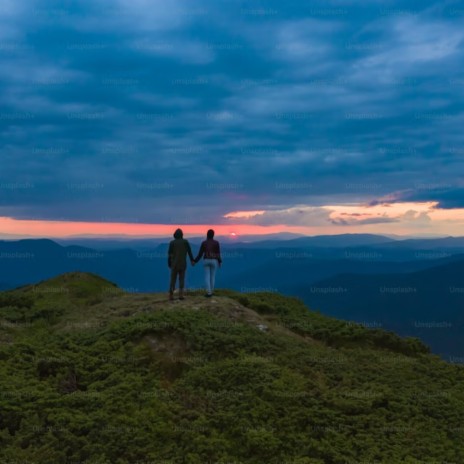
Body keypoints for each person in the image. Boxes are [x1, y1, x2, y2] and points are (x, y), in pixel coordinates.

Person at [167, 228, 195, 300]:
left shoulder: (172, 243)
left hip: (174, 264)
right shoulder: (185, 242)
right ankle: (181, 295)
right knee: (181, 279)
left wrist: (169, 263)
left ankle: (171, 295)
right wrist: (192, 260)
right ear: (182, 234)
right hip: (183, 264)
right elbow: (189, 252)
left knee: (173, 279)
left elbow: (169, 254)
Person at [194, 229, 222, 297]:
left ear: (207, 235)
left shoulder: (204, 243)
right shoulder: (216, 243)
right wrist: (219, 261)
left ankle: (208, 292)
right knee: (212, 277)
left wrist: (194, 261)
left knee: (207, 276)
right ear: (213, 235)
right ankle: (212, 291)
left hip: (206, 260)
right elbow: (218, 253)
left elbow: (200, 254)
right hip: (214, 260)